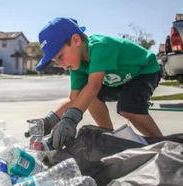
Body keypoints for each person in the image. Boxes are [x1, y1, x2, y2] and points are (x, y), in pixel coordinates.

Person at [29, 17, 163, 150]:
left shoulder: (100, 46)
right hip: (120, 80)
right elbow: (75, 99)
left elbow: (94, 86)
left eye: (60, 56)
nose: (60, 65)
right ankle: (109, 136)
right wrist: (50, 120)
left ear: (76, 40)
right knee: (87, 96)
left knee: (128, 108)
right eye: (55, 61)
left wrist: (70, 119)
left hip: (144, 71)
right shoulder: (76, 66)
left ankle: (162, 145)